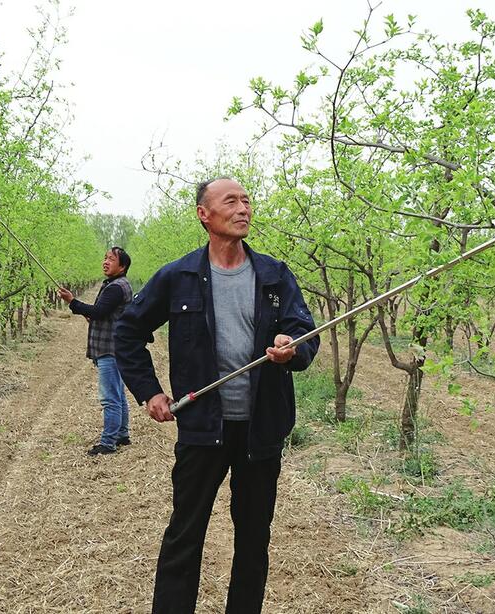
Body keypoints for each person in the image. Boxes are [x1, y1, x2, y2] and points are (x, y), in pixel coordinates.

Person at [115, 177, 320, 613]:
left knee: (253, 540)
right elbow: (128, 331)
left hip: (261, 433)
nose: (243, 208)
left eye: (247, 200)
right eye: (231, 201)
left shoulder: (274, 275)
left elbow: (307, 334)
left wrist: (292, 347)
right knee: (184, 536)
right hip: (202, 429)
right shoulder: (178, 276)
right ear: (204, 215)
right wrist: (149, 391)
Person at [58, 246, 133, 456]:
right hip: (115, 347)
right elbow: (102, 314)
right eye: (105, 258)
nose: (106, 262)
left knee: (110, 397)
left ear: (122, 266)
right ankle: (122, 434)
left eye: (111, 259)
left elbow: (99, 312)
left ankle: (108, 443)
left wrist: (72, 301)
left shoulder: (116, 287)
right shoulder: (115, 285)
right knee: (118, 394)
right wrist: (83, 310)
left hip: (110, 348)